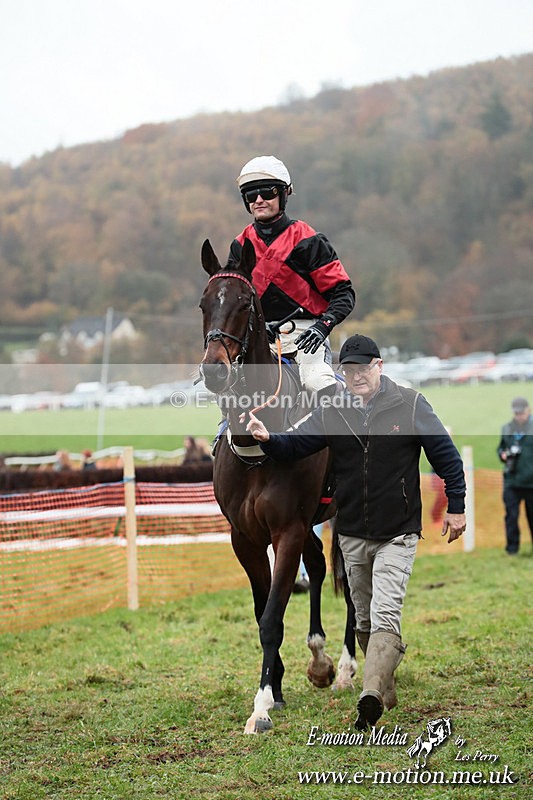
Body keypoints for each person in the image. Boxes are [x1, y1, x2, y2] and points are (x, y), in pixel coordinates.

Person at [245, 333, 466, 730]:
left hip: (398, 531)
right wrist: (268, 439)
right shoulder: (334, 410)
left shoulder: (411, 404)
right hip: (351, 534)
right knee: (362, 620)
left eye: (364, 368)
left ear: (379, 366)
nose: (357, 376)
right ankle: (384, 682)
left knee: (384, 615)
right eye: (349, 370)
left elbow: (446, 456)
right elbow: (297, 444)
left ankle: (370, 695)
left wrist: (458, 507)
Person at [226, 155, 355, 400]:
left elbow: (343, 293)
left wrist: (321, 328)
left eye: (268, 192)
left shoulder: (308, 239)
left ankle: (348, 434)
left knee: (318, 384)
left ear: (284, 194)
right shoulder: (239, 245)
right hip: (259, 339)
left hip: (306, 338)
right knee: (231, 395)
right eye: (251, 195)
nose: (259, 200)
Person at [497, 396, 533, 555]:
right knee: (511, 516)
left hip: (531, 481)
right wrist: (503, 455)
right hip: (511, 480)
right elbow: (501, 448)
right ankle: (512, 549)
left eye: (522, 413)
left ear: (528, 411)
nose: (519, 416)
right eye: (516, 413)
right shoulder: (507, 428)